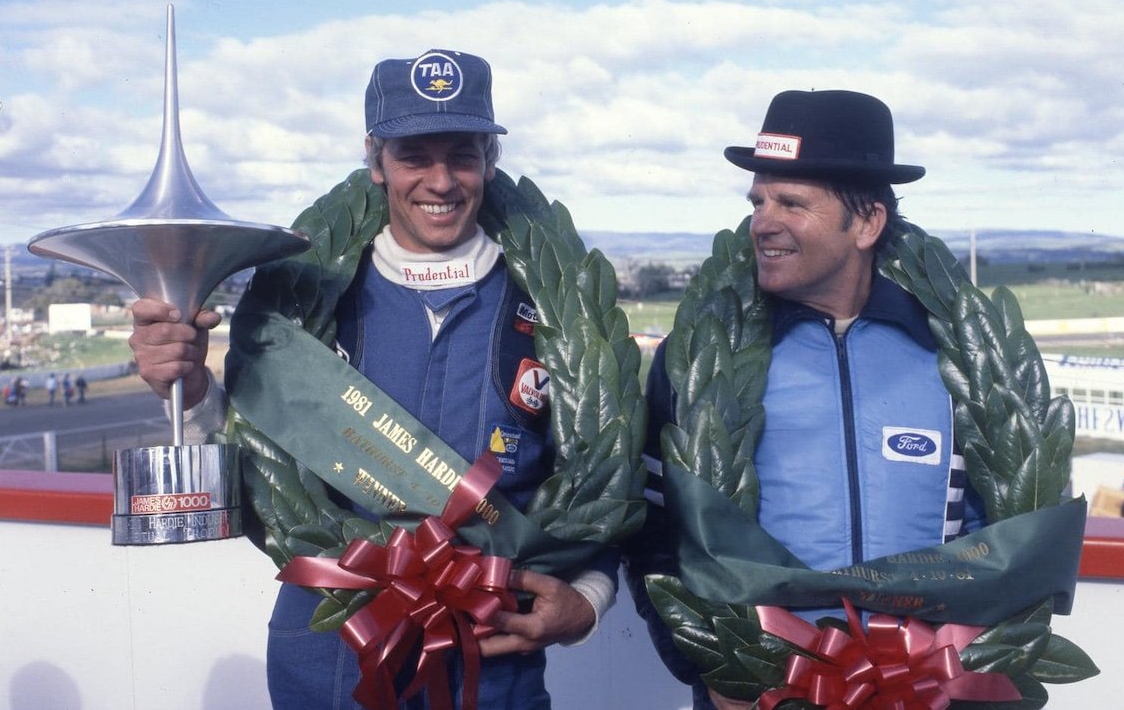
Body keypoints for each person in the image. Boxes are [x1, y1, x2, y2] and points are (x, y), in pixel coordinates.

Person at [127, 49, 614, 709]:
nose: (441, 181)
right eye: (415, 155)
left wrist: (588, 599)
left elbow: (604, 475)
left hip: (490, 650)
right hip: (331, 645)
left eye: (463, 155)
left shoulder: (558, 302)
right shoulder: (308, 295)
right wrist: (187, 390)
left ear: (489, 162)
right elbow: (256, 454)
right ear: (375, 159)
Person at [625, 90, 986, 710]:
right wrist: (709, 670)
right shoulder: (702, 359)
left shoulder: (953, 355)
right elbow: (656, 527)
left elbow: (998, 531)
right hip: (759, 695)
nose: (762, 222)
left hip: (921, 692)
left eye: (793, 202)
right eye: (758, 201)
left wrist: (967, 668)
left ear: (868, 222)